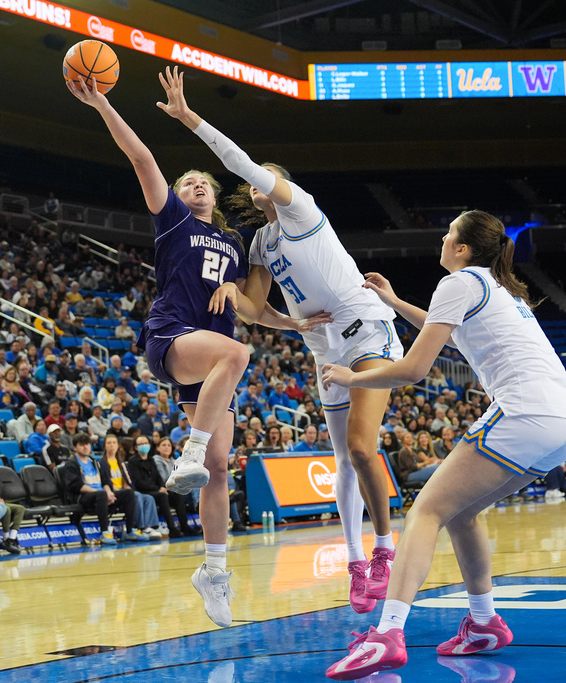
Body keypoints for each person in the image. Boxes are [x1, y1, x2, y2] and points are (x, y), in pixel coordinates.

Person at [160, 67, 401, 615]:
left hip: (362, 324)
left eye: (266, 175)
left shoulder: (301, 208)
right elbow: (251, 309)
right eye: (256, 179)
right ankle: (357, 562)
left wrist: (189, 118)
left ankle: (385, 551)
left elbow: (240, 163)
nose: (256, 180)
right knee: (343, 459)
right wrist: (229, 287)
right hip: (323, 348)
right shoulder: (261, 241)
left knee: (363, 450)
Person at [321, 211, 566, 680]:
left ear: (461, 248)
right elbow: (449, 333)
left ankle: (387, 635)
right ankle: (484, 624)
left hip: (525, 412)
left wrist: (352, 374)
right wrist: (396, 301)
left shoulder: (459, 282)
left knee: (425, 510)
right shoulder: (496, 287)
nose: (443, 240)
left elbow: (413, 369)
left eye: (449, 234)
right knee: (462, 513)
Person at [69, 73, 257, 627]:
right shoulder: (173, 223)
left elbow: (248, 307)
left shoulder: (235, 244)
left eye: (204, 182)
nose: (196, 184)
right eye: (188, 181)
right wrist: (103, 102)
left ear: (216, 196)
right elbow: (143, 157)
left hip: (211, 356)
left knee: (220, 469)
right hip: (173, 337)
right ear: (177, 195)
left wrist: (274, 311)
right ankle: (189, 451)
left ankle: (214, 572)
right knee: (237, 357)